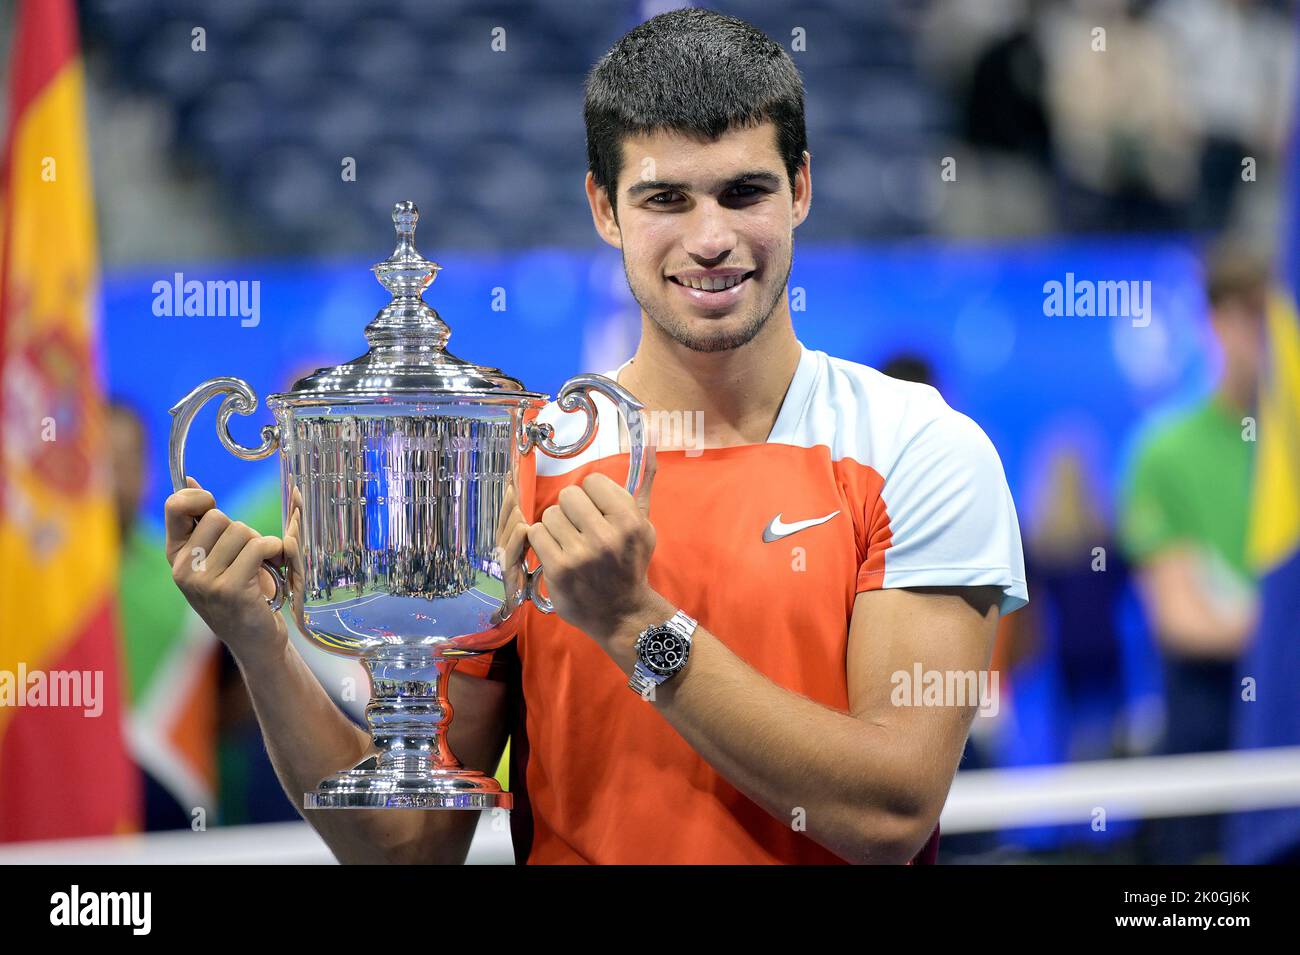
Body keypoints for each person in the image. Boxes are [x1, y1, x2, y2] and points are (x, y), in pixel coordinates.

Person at [163, 8, 1028, 864]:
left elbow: (889, 813)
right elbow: (407, 850)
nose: (712, 238)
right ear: (604, 209)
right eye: (665, 199)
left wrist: (631, 621)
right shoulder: (522, 463)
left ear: (800, 188)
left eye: (744, 191)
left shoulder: (922, 448)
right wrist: (260, 642)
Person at [1118, 244, 1267, 863]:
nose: (1262, 336)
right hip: (1210, 720)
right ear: (1215, 321)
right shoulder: (1165, 452)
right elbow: (1183, 623)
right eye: (1248, 316)